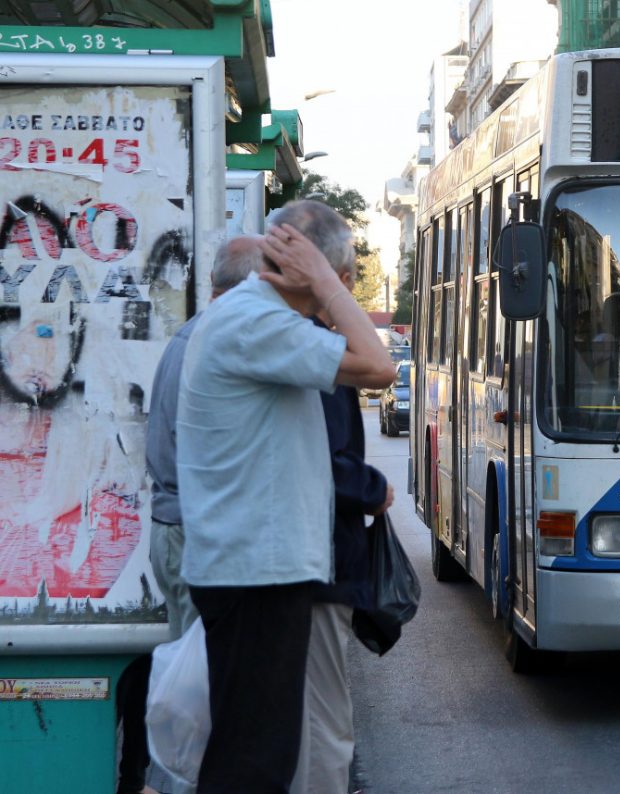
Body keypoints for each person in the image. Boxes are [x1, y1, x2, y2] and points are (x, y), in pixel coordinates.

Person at [177, 199, 394, 793]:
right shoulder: (258, 322)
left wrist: (320, 280)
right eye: (335, 273)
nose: (337, 288)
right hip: (256, 573)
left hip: (258, 569)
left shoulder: (263, 323)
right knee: (253, 766)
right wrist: (325, 281)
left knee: (258, 755)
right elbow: (379, 364)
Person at [113, 237, 262, 794]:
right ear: (250, 287)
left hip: (178, 529)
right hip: (196, 536)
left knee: (194, 695)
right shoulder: (217, 344)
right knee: (198, 704)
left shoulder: (189, 338)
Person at [290, 236, 394, 794]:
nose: (351, 287)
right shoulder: (301, 347)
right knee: (326, 724)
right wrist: (373, 488)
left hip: (289, 564)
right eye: (346, 275)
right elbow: (379, 368)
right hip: (315, 563)